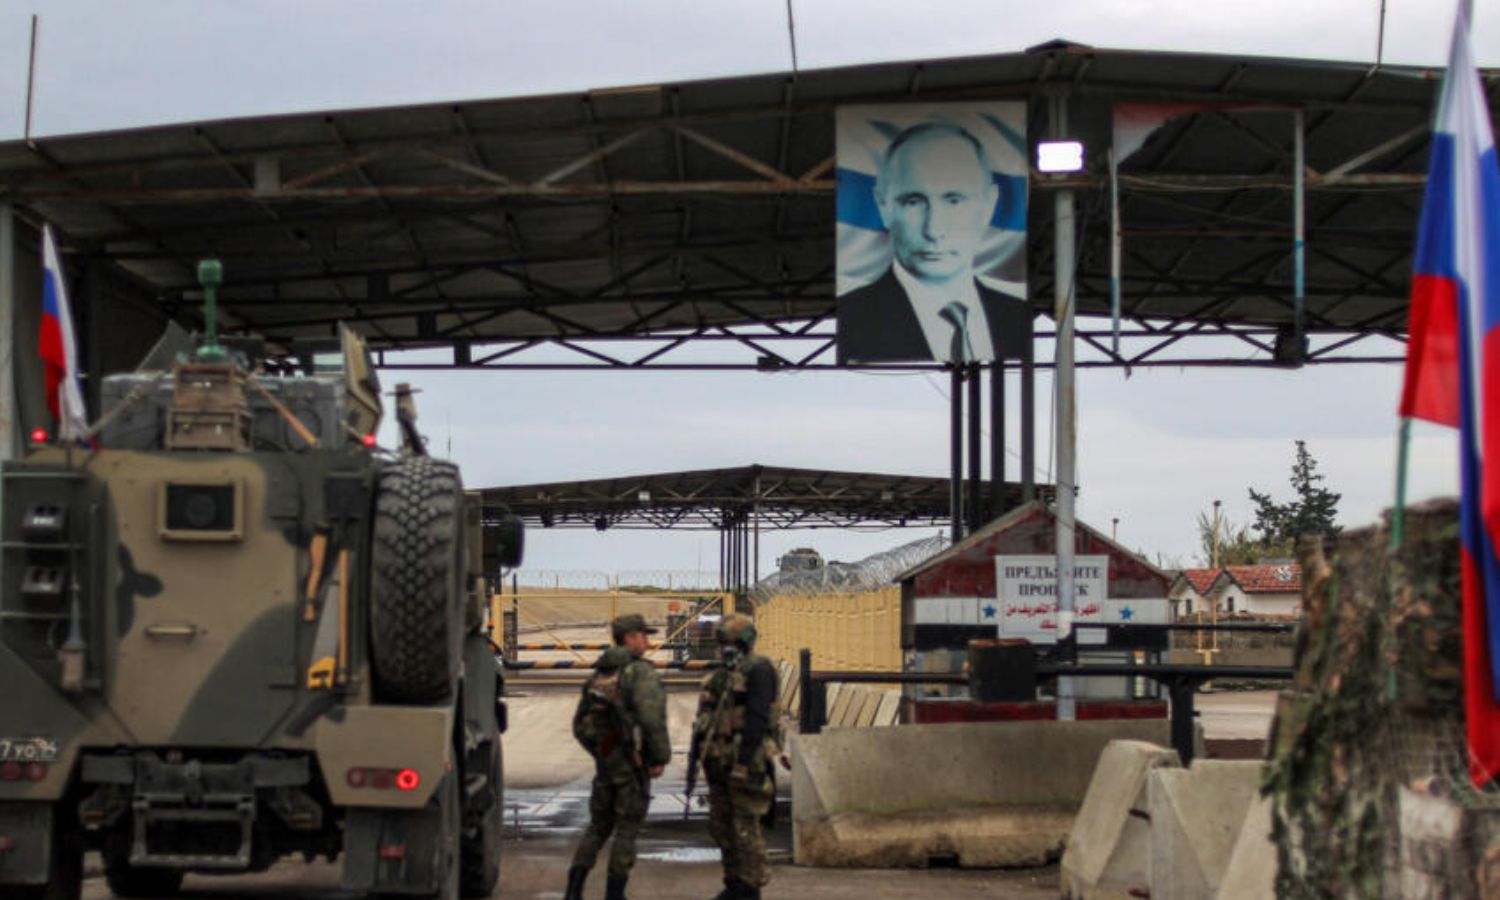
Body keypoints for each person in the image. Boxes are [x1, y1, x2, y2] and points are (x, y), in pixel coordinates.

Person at [837, 120, 1030, 365]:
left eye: (954, 200)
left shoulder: (1013, 317)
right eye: (913, 202)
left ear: (989, 205)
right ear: (882, 205)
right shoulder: (855, 320)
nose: (934, 229)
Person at [564, 614, 670, 900]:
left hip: (606, 767)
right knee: (626, 829)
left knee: (597, 827)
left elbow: (579, 725)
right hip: (631, 766)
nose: (647, 641)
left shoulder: (598, 676)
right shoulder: (639, 673)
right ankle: (615, 893)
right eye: (642, 635)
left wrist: (602, 753)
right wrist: (658, 757)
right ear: (629, 638)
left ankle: (573, 890)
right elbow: (651, 719)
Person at [692, 613, 783, 900]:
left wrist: (743, 763)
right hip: (719, 762)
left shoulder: (759, 670)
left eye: (728, 641)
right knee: (722, 827)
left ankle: (750, 888)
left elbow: (757, 718)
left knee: (746, 828)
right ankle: (733, 884)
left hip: (747, 762)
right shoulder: (721, 674)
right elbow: (703, 721)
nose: (723, 647)